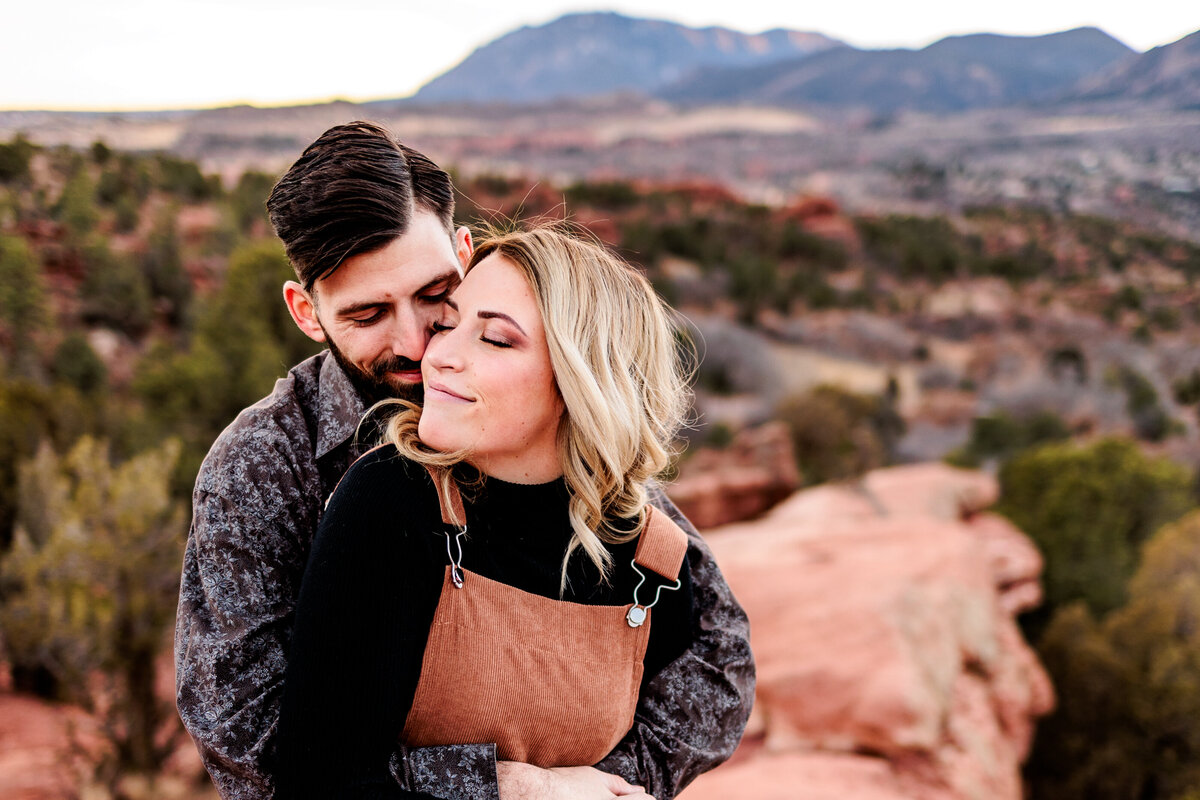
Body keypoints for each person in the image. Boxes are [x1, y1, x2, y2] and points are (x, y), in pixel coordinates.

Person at [174, 121, 754, 800]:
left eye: (434, 299)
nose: (420, 344)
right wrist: (502, 786)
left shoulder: (533, 426)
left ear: (465, 255)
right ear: (308, 312)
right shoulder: (267, 464)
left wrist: (600, 786)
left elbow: (718, 651)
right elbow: (254, 746)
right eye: (368, 315)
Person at [274, 225, 744, 799]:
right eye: (448, 324)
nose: (438, 355)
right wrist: (522, 790)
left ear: (581, 382)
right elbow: (320, 782)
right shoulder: (391, 500)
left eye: (494, 339)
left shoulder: (653, 561)